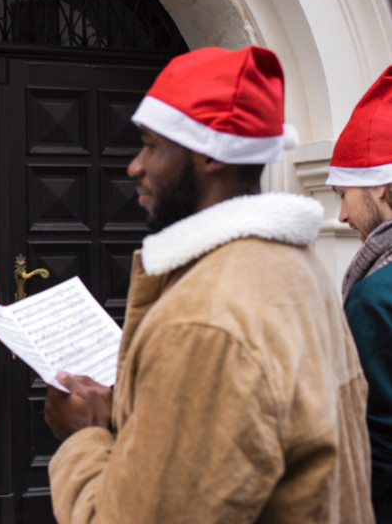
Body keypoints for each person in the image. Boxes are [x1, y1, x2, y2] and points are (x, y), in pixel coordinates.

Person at [43, 46, 374, 523]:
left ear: (210, 157)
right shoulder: (297, 270)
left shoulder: (203, 320)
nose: (135, 165)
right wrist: (135, 410)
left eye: (152, 145)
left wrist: (85, 435)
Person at [326, 65, 392, 522]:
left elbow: (373, 447)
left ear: (381, 185)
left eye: (344, 192)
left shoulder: (374, 297)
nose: (343, 215)